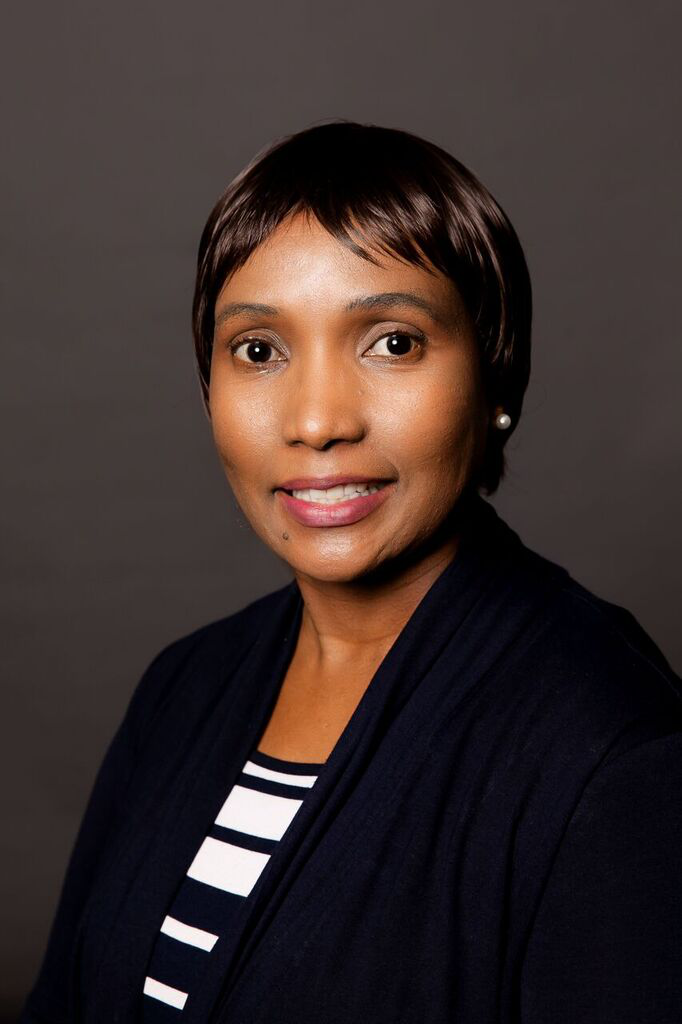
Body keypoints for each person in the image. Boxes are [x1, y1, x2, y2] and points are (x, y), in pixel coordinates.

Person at [21, 120, 682, 1024]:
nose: (318, 421)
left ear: (495, 374)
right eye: (259, 350)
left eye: (393, 342)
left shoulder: (613, 749)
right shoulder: (183, 688)